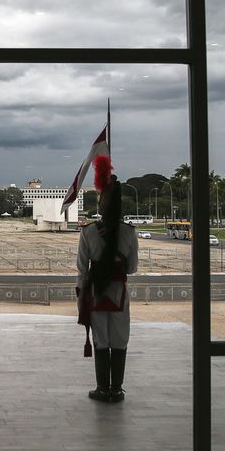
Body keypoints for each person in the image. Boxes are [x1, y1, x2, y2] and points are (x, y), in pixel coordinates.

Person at [76, 155, 139, 403]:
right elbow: (132, 268)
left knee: (101, 341)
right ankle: (117, 389)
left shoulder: (89, 232)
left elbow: (82, 268)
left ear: (102, 204)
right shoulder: (129, 232)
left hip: (96, 293)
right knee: (120, 340)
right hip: (120, 293)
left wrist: (82, 295)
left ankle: (103, 388)